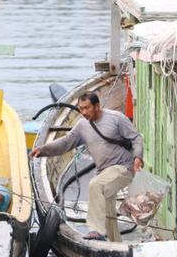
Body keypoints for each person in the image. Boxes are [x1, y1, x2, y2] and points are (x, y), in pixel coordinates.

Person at [31, 91, 143, 242]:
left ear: (97, 106)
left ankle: (96, 230)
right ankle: (115, 243)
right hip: (104, 171)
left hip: (124, 167)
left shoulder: (116, 119)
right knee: (108, 208)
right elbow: (65, 143)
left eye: (87, 108)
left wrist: (138, 157)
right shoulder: (82, 125)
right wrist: (43, 150)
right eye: (81, 108)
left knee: (96, 185)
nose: (83, 112)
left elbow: (136, 137)